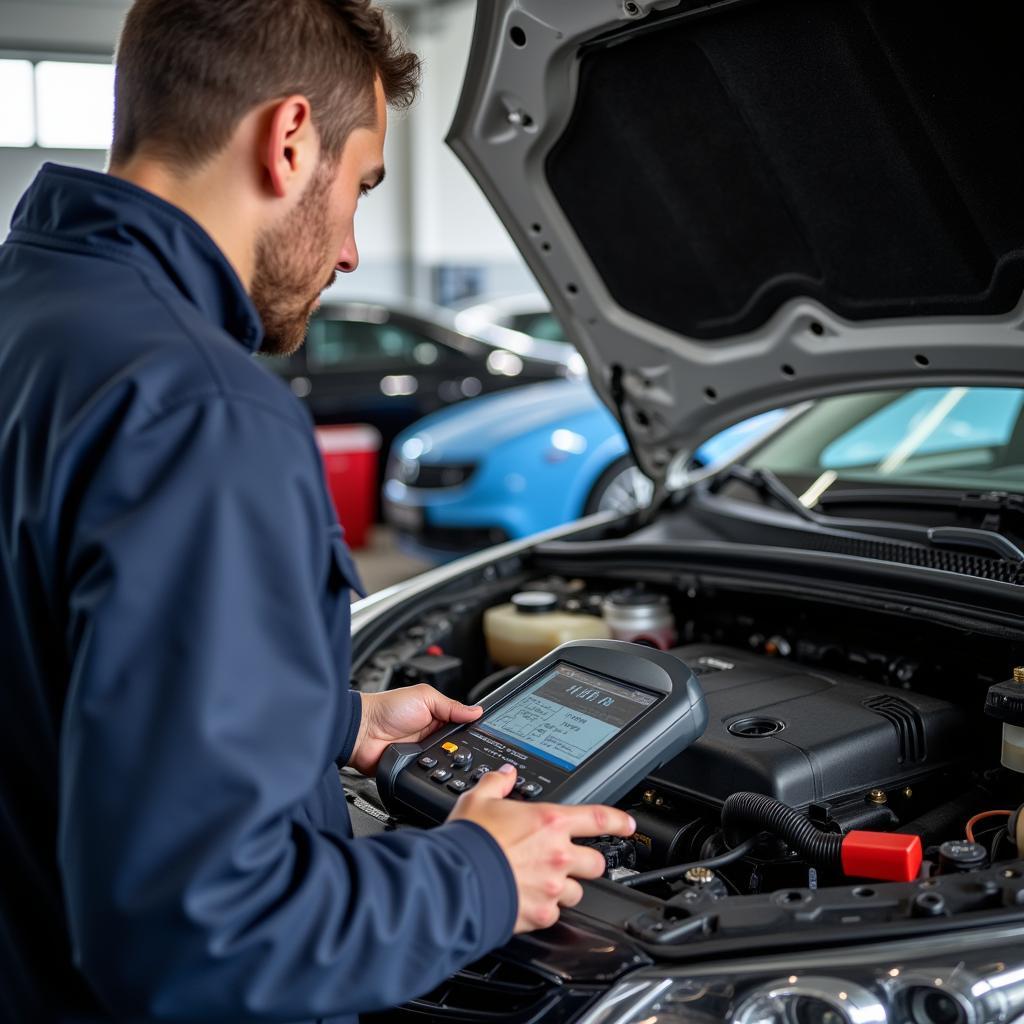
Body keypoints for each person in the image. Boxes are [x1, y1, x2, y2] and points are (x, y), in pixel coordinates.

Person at [0, 1, 636, 1021]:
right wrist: (479, 872)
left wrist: (324, 720)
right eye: (360, 187)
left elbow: (46, 668)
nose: (348, 250)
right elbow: (197, 932)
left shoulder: (32, 317)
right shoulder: (199, 408)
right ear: (291, 138)